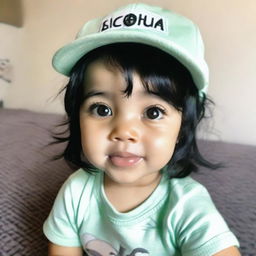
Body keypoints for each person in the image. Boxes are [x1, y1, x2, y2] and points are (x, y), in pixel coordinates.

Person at [43, 3, 240, 256]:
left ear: (183, 126)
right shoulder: (76, 192)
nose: (124, 131)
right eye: (102, 109)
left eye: (153, 112)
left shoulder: (187, 206)